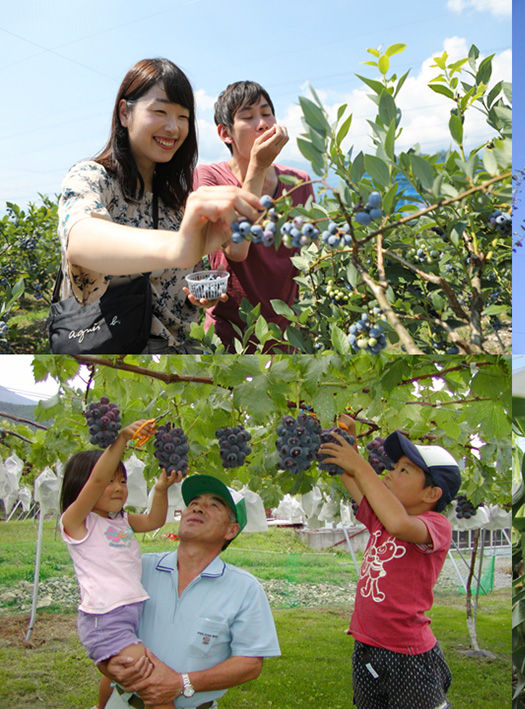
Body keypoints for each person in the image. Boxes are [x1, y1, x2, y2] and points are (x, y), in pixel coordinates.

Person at [57, 58, 263, 354]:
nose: (173, 127)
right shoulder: (93, 178)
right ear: (125, 113)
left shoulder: (177, 199)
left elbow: (185, 273)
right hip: (109, 358)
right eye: (160, 111)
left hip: (179, 360)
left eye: (183, 117)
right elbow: (81, 241)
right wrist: (177, 246)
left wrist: (197, 295)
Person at [101, 474, 280, 708]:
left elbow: (249, 664)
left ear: (231, 530)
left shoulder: (245, 589)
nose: (198, 508)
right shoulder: (138, 568)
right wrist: (105, 665)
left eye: (213, 505)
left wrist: (181, 683)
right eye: (193, 503)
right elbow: (103, 627)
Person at [319, 423, 462, 709]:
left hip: (408, 655)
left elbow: (399, 524)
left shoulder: (436, 526)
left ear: (431, 494)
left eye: (403, 470)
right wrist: (345, 442)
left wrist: (360, 466)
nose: (390, 472)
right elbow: (353, 479)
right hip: (367, 647)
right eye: (394, 466)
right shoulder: (379, 519)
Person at [60, 419, 180, 709]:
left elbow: (154, 521)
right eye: (110, 481)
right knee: (153, 683)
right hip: (105, 620)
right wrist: (122, 439)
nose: (118, 488)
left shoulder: (122, 521)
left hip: (129, 614)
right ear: (83, 486)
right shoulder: (77, 523)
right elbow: (96, 480)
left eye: (123, 481)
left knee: (119, 676)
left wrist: (161, 490)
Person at [194, 80, 315, 353]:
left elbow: (310, 257)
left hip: (287, 333)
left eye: (267, 113)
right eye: (248, 117)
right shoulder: (210, 178)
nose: (262, 123)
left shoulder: (299, 181)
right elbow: (236, 250)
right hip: (229, 334)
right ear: (226, 133)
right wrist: (258, 166)